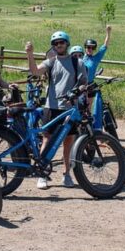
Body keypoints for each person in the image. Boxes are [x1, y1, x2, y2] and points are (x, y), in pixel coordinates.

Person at [26, 30, 86, 190]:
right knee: (47, 140)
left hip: (70, 109)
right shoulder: (51, 62)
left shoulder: (77, 62)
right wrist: (30, 54)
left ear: (67, 43)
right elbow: (35, 71)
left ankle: (67, 174)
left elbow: (83, 83)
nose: (59, 45)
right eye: (56, 43)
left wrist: (78, 91)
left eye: (62, 42)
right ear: (53, 46)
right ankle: (42, 174)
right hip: (51, 107)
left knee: (68, 143)